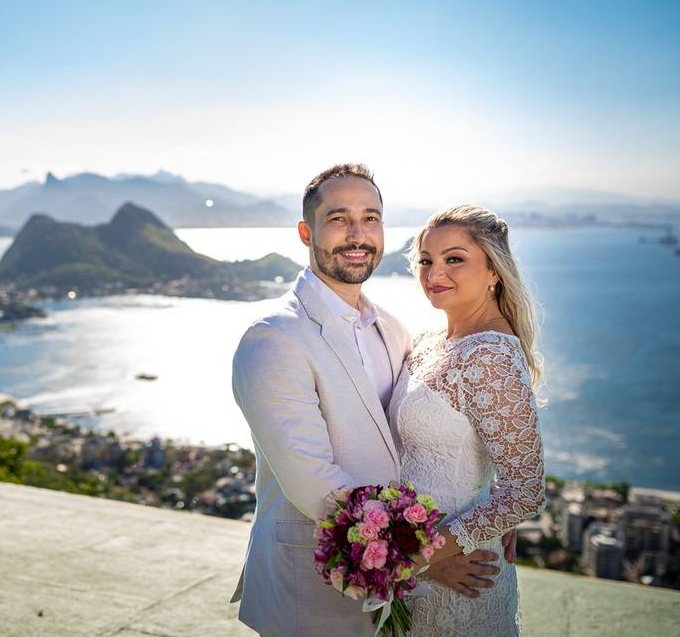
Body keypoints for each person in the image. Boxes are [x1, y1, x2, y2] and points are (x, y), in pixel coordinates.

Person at [230, 166, 507, 636]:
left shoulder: (394, 329)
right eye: (339, 218)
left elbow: (430, 435)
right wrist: (426, 559)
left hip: (394, 600)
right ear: (306, 231)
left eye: (371, 218)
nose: (358, 234)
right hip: (311, 594)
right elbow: (318, 487)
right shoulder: (273, 339)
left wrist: (490, 512)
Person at [388, 204, 547, 636]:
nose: (434, 273)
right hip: (423, 566)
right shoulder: (428, 341)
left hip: (460, 580)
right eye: (426, 260)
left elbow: (527, 492)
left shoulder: (491, 356)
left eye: (454, 259)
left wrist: (414, 560)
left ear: (494, 270)